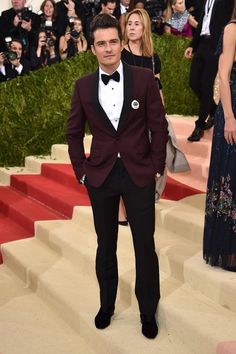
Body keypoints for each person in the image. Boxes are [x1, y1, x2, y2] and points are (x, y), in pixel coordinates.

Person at [67, 13, 168, 339]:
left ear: (122, 43)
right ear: (93, 49)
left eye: (113, 41)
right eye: (101, 44)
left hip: (139, 172)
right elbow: (72, 134)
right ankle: (106, 304)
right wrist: (82, 172)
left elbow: (158, 127)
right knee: (105, 245)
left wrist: (155, 166)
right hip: (101, 176)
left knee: (144, 246)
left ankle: (148, 310)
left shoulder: (144, 79)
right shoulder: (82, 86)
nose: (108, 48)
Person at [203, 2, 236, 272]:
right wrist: (230, 117)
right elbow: (224, 78)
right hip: (232, 109)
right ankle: (228, 249)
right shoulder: (232, 29)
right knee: (230, 178)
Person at [184, 0, 234, 142]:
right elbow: (202, 23)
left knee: (206, 86)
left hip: (216, 46)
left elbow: (229, 20)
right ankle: (213, 111)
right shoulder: (205, 1)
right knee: (193, 82)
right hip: (202, 44)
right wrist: (192, 45)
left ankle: (200, 125)